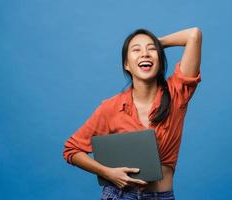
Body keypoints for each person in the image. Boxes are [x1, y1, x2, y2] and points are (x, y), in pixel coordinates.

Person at [63, 27, 202, 200]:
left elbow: (193, 35)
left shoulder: (177, 94)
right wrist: (108, 172)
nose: (145, 54)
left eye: (151, 49)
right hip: (119, 195)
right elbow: (71, 149)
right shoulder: (112, 107)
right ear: (126, 65)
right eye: (136, 50)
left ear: (160, 59)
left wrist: (158, 44)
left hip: (162, 196)